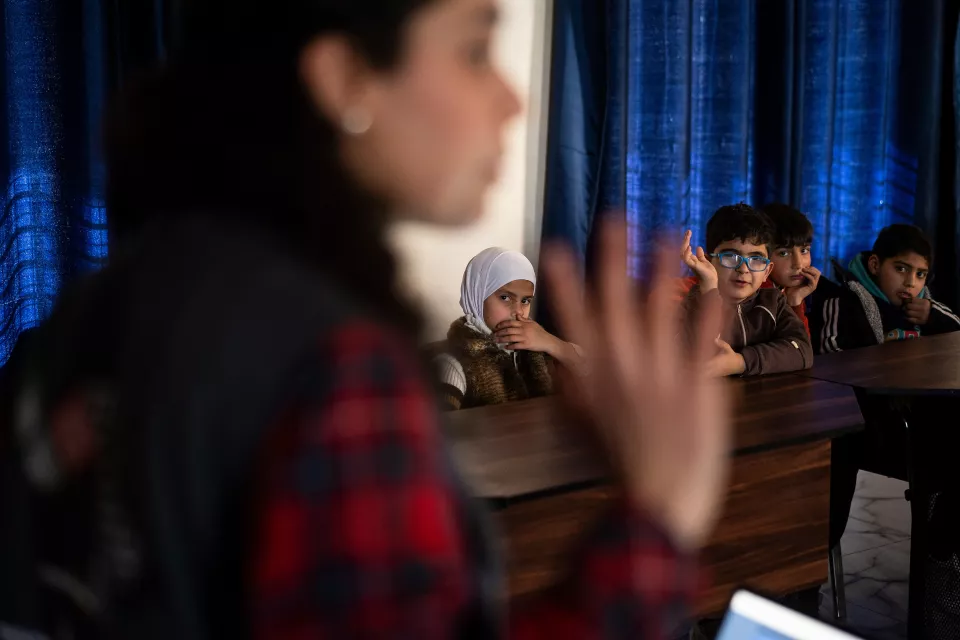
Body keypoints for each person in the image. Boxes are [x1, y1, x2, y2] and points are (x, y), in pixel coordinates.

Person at [3, 1, 733, 638]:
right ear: (343, 76)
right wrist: (657, 525)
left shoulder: (95, 311)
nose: (514, 101)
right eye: (475, 50)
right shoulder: (334, 365)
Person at [434, 247, 584, 410]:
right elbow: (440, 428)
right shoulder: (454, 362)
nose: (518, 311)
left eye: (525, 300)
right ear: (477, 295)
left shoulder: (535, 347)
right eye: (505, 297)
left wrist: (551, 343)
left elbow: (600, 374)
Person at [680, 203, 814, 377]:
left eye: (756, 259)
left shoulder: (773, 302)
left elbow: (802, 351)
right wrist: (710, 290)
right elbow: (696, 356)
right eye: (730, 257)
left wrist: (740, 362)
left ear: (767, 271)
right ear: (708, 261)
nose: (743, 269)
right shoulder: (695, 300)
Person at [815, 223, 960, 353]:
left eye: (920, 274)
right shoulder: (844, 303)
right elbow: (831, 354)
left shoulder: (926, 307)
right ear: (875, 265)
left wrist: (932, 315)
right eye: (901, 269)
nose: (911, 282)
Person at [760, 203, 820, 336]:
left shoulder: (788, 288)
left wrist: (795, 300)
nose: (798, 264)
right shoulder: (759, 294)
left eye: (804, 250)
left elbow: (802, 349)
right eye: (783, 253)